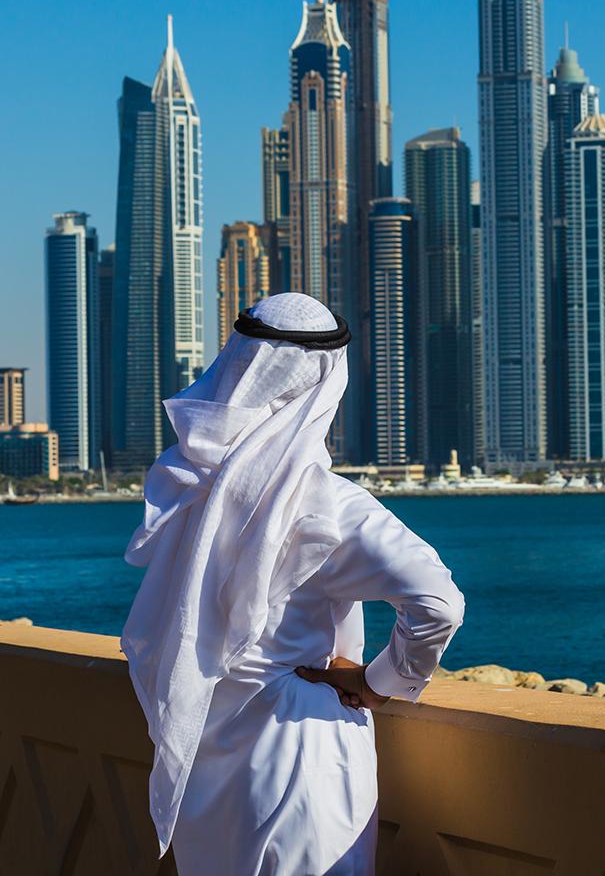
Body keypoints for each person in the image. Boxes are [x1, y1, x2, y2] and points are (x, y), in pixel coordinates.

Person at [122, 293, 465, 876]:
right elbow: (437, 603)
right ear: (329, 381)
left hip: (208, 768)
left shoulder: (186, 479)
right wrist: (380, 682)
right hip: (301, 758)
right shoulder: (327, 506)